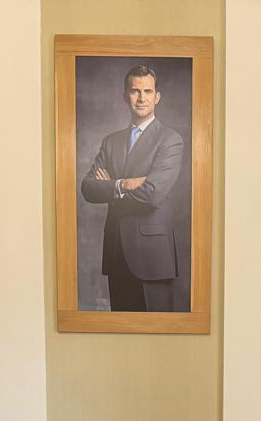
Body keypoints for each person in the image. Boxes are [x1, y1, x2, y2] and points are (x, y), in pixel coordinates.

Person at [78, 64, 185, 313]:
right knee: (121, 331)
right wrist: (123, 184)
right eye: (135, 91)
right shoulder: (110, 142)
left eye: (148, 91)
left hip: (153, 258)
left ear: (157, 97)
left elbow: (152, 194)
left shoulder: (170, 140)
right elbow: (88, 187)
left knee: (156, 333)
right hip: (117, 254)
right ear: (125, 96)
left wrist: (110, 190)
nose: (141, 98)